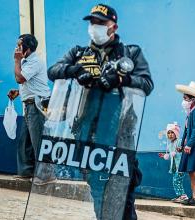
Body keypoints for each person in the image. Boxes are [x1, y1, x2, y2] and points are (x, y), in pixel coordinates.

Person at [47, 4, 153, 219]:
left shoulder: (130, 52)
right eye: (92, 22)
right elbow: (53, 71)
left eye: (101, 23)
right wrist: (74, 70)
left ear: (113, 26)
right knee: (98, 191)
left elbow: (146, 84)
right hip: (89, 136)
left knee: (123, 193)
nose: (95, 27)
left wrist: (122, 79)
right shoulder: (79, 53)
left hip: (120, 136)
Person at [9, 34, 53, 184]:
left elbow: (20, 78)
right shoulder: (26, 62)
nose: (16, 48)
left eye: (19, 45)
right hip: (28, 104)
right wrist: (18, 91)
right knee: (25, 141)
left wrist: (16, 60)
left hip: (37, 105)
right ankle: (26, 171)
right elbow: (26, 82)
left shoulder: (34, 61)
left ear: (27, 47)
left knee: (39, 140)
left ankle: (47, 175)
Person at [158, 123, 188, 203]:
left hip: (181, 165)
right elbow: (170, 155)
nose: (170, 135)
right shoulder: (170, 144)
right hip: (175, 167)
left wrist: (182, 147)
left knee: (177, 180)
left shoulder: (180, 141)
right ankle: (180, 196)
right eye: (168, 133)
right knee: (176, 181)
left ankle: (183, 196)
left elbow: (184, 147)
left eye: (172, 133)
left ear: (176, 133)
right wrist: (164, 155)